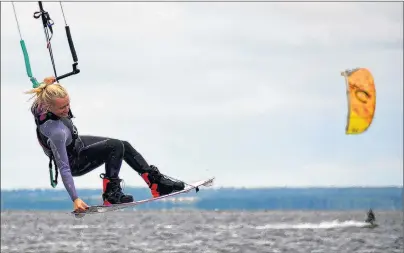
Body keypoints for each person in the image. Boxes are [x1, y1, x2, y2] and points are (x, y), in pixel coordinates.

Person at [25, 77, 185, 212]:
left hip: (77, 143)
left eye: (68, 104)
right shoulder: (56, 133)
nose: (67, 110)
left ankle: (155, 184)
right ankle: (111, 195)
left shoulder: (40, 103)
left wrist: (49, 83)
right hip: (74, 161)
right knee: (114, 146)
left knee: (124, 145)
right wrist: (75, 199)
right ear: (48, 107)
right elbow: (64, 168)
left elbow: (44, 92)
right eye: (62, 108)